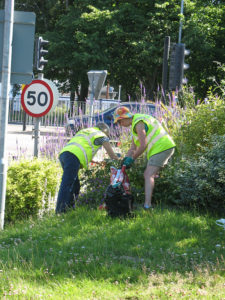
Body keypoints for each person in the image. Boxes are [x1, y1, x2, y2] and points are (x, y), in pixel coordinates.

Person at [113, 106, 176, 210]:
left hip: (162, 147)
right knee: (150, 174)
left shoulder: (138, 122)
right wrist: (125, 160)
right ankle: (150, 204)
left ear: (124, 118)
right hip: (160, 148)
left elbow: (143, 145)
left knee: (148, 174)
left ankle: (147, 205)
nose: (120, 125)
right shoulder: (135, 125)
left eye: (119, 122)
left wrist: (132, 159)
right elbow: (133, 148)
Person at [56, 122, 119, 213]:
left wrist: (96, 162)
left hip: (64, 154)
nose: (108, 137)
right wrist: (118, 159)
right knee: (67, 184)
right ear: (105, 131)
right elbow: (112, 155)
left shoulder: (86, 131)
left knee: (75, 185)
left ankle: (69, 209)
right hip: (73, 156)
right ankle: (60, 211)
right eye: (108, 135)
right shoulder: (101, 135)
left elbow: (82, 147)